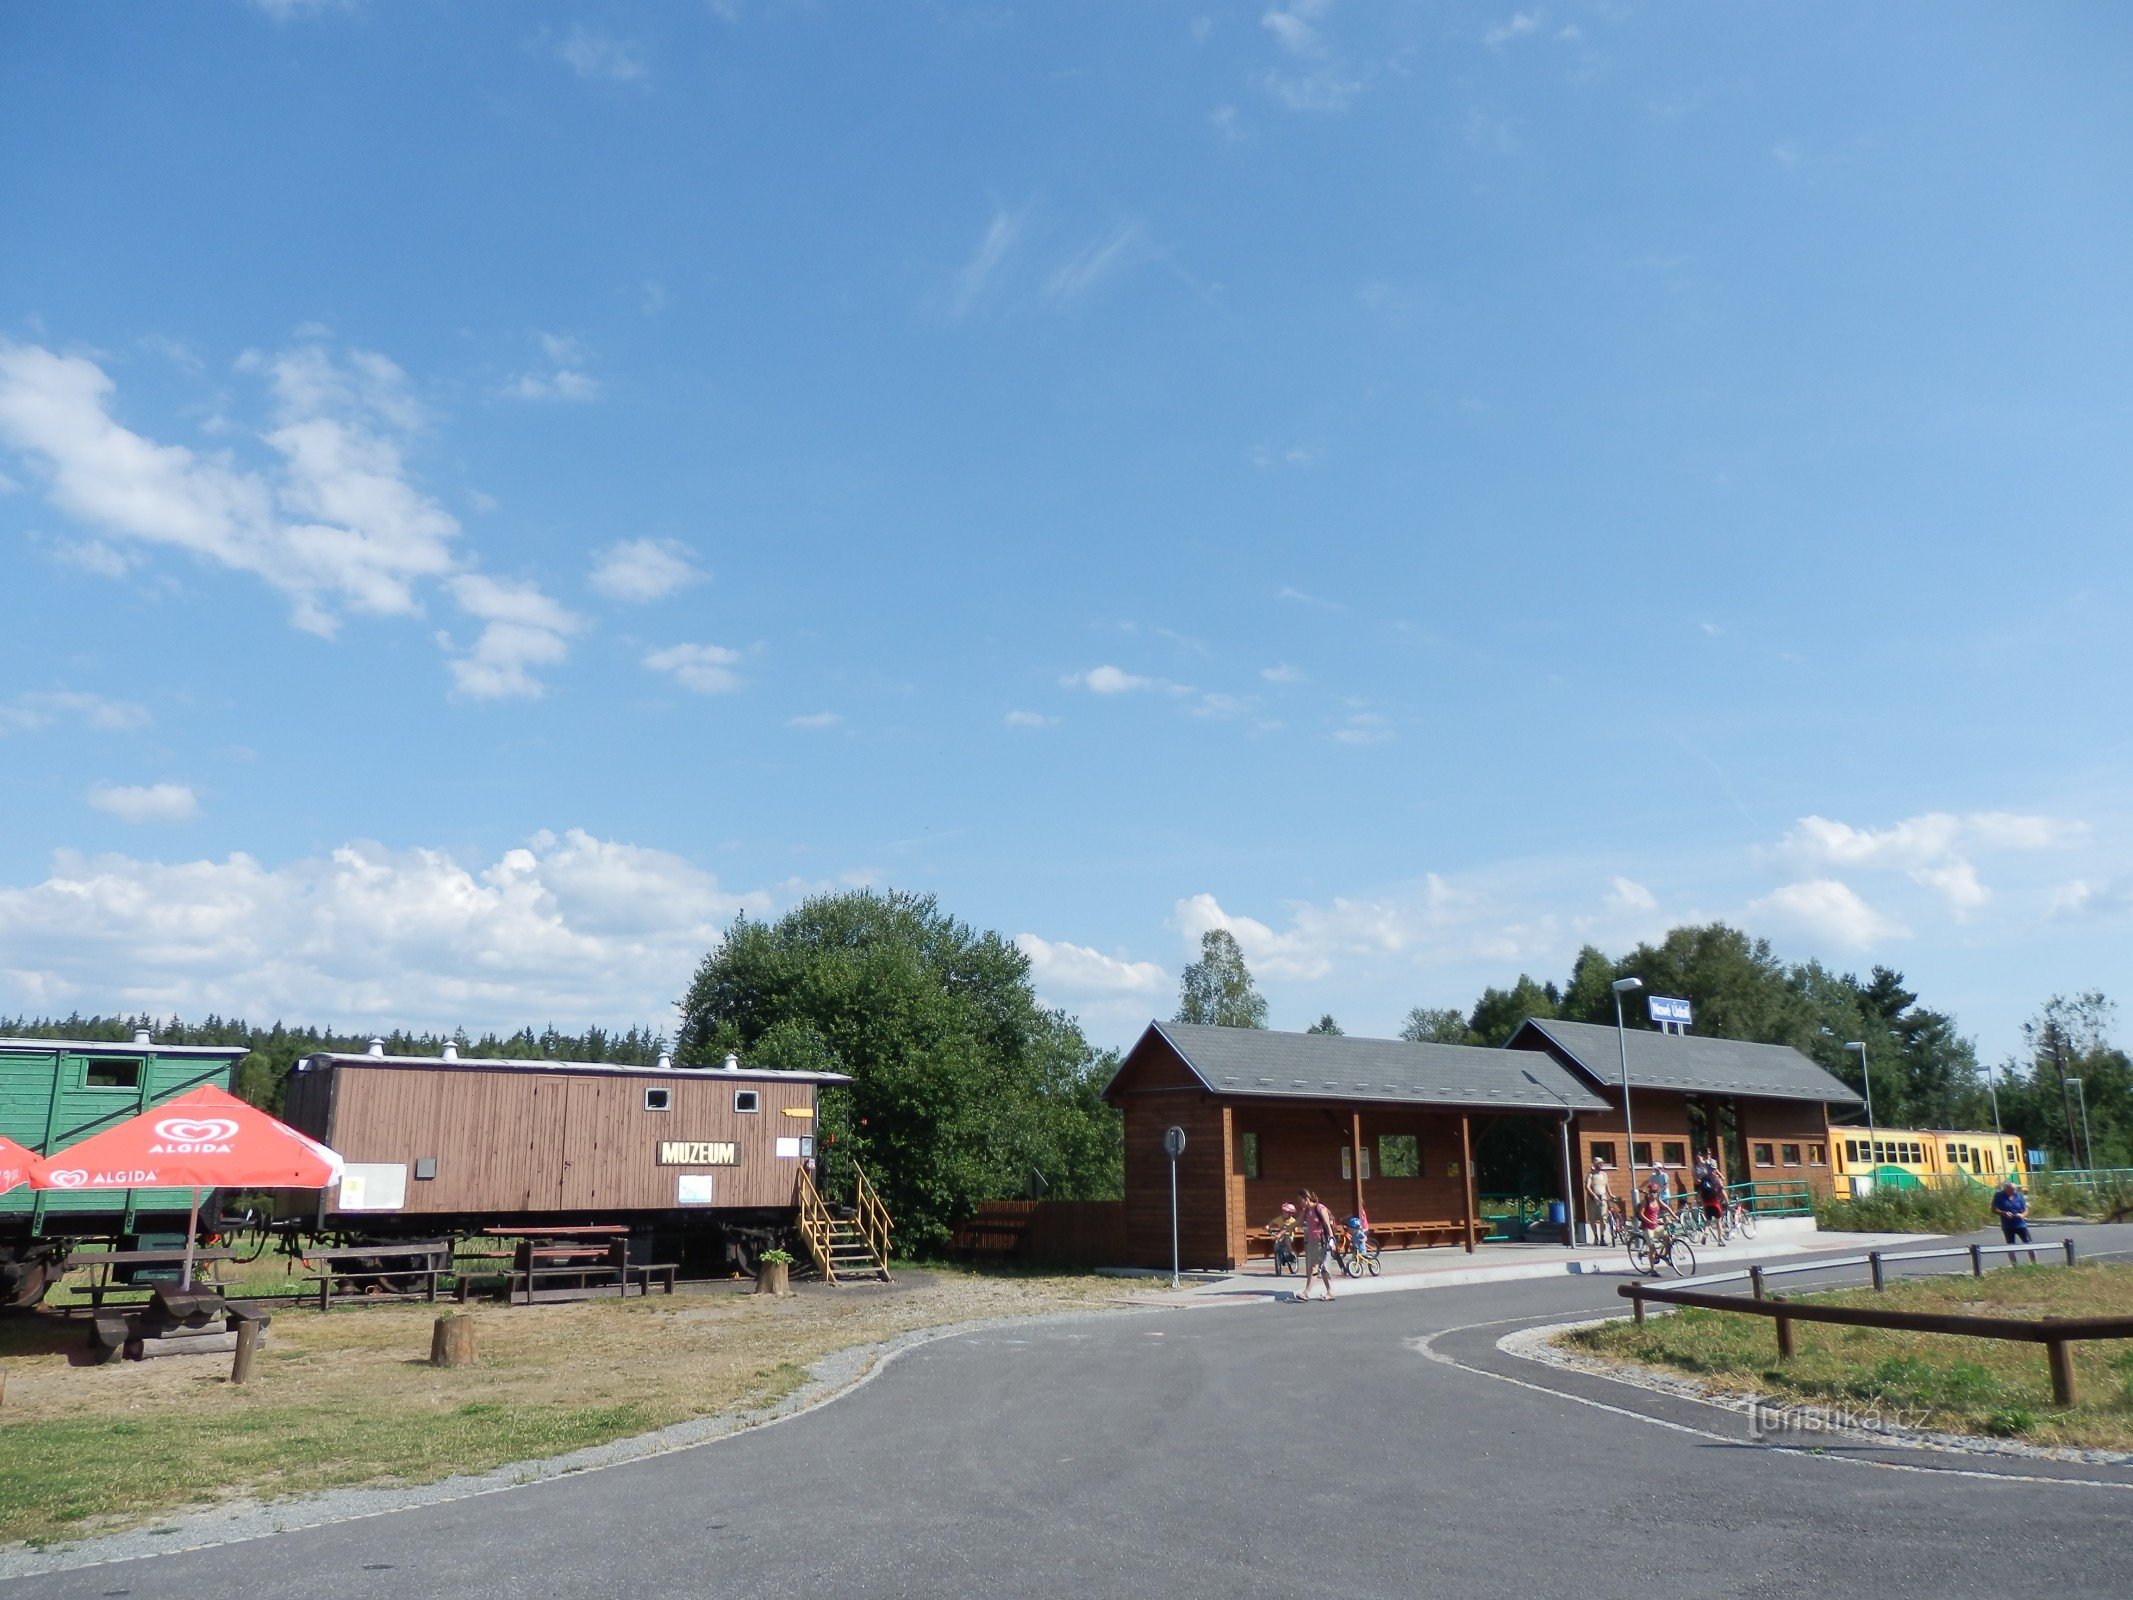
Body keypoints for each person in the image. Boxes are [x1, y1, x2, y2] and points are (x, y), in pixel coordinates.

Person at [1294, 1189, 1338, 1303]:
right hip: (1312, 1241)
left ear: (1306, 1199)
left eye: (1300, 1200)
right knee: (1322, 1268)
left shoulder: (1320, 1208)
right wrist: (1281, 1233)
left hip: (1321, 1241)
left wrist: (1332, 1239)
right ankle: (1330, 1292)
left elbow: (1327, 1225)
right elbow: (1296, 1222)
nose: (1300, 1203)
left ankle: (1306, 1292)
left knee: (1314, 1267)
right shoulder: (1307, 1211)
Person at [1992, 1180, 2032, 1245]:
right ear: (2005, 1189)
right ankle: (2012, 1255)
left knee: (2029, 1244)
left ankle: (2033, 1255)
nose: (2014, 1191)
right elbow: (1993, 1209)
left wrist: (2022, 1215)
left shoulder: (2019, 1196)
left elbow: (2026, 1210)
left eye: (2015, 1189)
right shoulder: (1999, 1196)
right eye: (2011, 1190)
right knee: (2011, 1246)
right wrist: (2003, 1213)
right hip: (2007, 1226)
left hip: (2020, 1224)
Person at [1267, 1202, 1301, 1275]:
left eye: (1285, 1212)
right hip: (1280, 1236)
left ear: (1290, 1214)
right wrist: (1268, 1226)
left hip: (1288, 1236)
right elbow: (1272, 1222)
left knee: (1286, 1238)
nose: (1283, 1213)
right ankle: (1278, 1260)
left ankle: (1290, 1254)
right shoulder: (1280, 1218)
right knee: (1276, 1244)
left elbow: (1295, 1228)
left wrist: (1293, 1229)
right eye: (1283, 1212)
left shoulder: (1292, 1220)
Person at [1585, 1156, 1613, 1241]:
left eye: (1602, 1163)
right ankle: (1596, 1236)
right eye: (1599, 1163)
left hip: (1603, 1198)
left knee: (1603, 1218)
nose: (1601, 1164)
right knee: (1592, 1219)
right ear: (1595, 1164)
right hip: (1592, 1200)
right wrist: (1594, 1196)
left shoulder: (1604, 1174)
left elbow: (1606, 1185)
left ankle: (1602, 1237)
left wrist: (1610, 1194)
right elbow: (1587, 1187)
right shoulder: (1591, 1175)